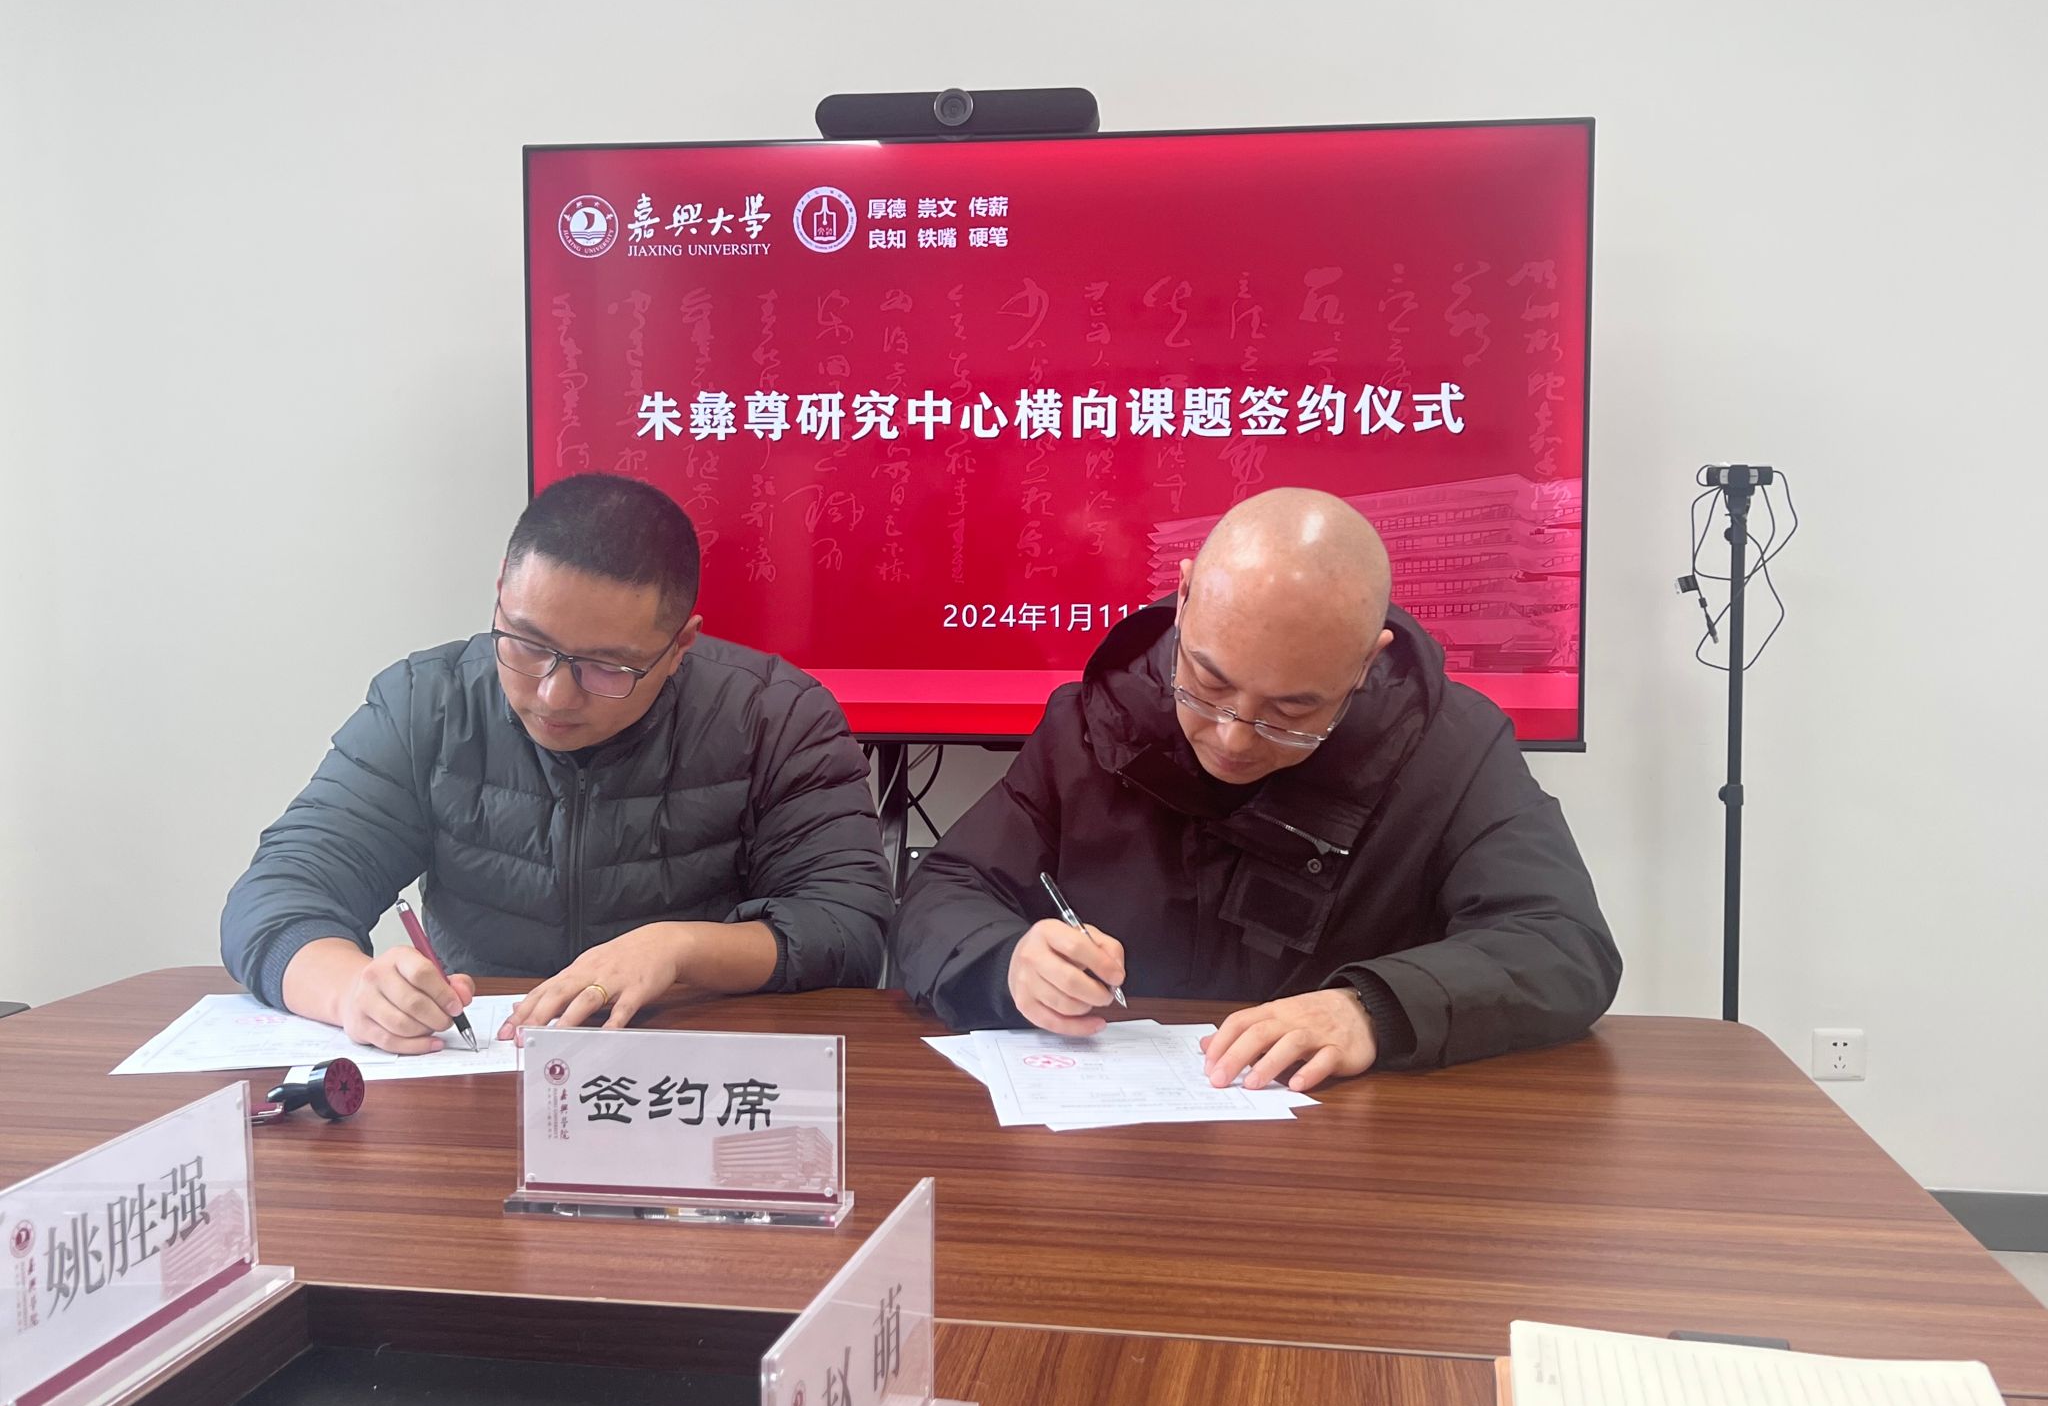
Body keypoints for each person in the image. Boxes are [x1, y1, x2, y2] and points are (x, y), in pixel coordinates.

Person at [889, 487, 1620, 1090]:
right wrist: (1007, 961)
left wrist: (1373, 1008)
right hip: (1115, 1137)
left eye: (1292, 711)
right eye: (1208, 684)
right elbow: (944, 890)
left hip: (1349, 1150)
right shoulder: (1096, 721)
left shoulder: (1450, 749)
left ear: (1367, 663)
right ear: (1183, 600)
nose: (1233, 738)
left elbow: (1563, 943)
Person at [221, 474, 890, 1053]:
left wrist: (681, 948)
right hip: (483, 1066)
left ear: (680, 645)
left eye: (608, 667)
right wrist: (351, 992)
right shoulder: (429, 703)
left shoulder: (775, 716)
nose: (552, 695)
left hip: (694, 1068)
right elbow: (278, 894)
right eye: (526, 643)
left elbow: (849, 927)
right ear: (500, 594)